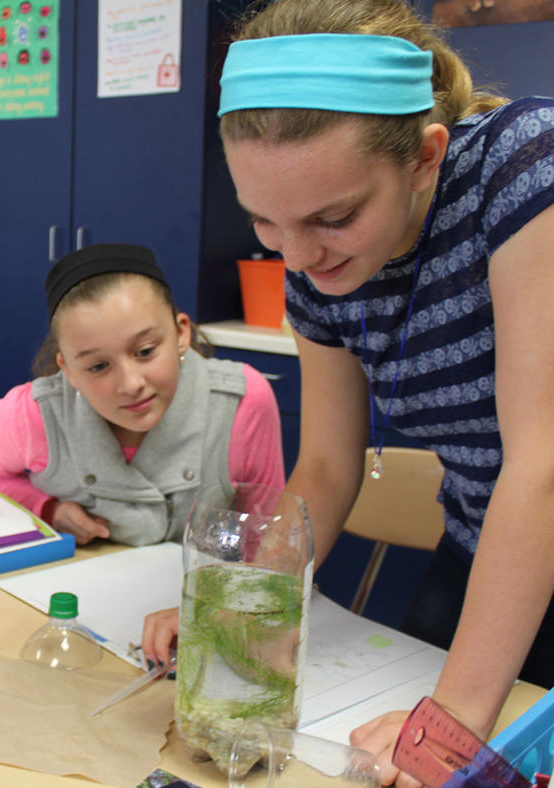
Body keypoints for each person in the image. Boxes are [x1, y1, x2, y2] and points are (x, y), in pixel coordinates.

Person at [141, 0, 554, 784]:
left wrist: (452, 727)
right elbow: (328, 466)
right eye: (264, 221)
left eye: (333, 216)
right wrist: (245, 602)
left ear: (426, 157)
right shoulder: (316, 263)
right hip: (482, 544)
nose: (297, 257)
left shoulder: (523, 166)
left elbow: (544, 463)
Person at [0, 243, 284, 546]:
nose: (131, 384)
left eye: (145, 351)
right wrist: (47, 508)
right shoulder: (33, 414)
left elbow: (264, 538)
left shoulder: (241, 401)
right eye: (98, 366)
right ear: (67, 370)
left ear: (182, 333)